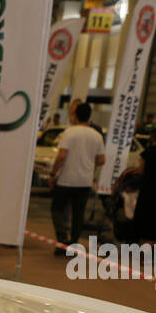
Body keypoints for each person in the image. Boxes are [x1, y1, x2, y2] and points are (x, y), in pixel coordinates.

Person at [48, 101, 105, 255]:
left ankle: (62, 240)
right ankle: (73, 244)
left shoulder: (69, 132)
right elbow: (101, 160)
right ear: (89, 116)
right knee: (78, 215)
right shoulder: (97, 135)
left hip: (66, 179)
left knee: (57, 209)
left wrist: (53, 174)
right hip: (85, 181)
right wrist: (88, 162)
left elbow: (61, 156)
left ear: (74, 115)